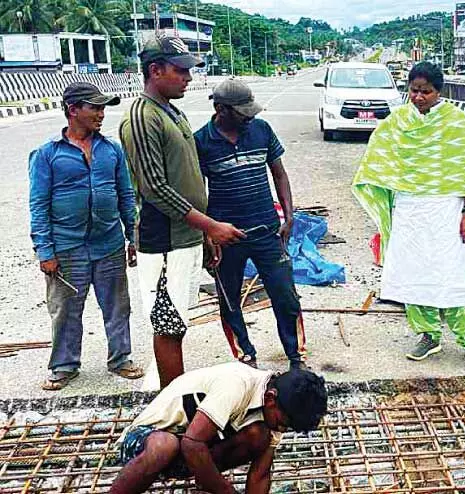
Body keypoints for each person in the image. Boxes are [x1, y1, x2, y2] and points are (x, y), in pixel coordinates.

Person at [119, 34, 246, 389]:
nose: (188, 78)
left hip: (185, 238)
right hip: (163, 243)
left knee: (179, 320)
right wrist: (211, 225)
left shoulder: (173, 111)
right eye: (181, 71)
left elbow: (187, 179)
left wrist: (203, 233)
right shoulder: (142, 117)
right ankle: (171, 403)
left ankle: (173, 394)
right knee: (168, 324)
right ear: (155, 70)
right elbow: (155, 188)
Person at [352, 62, 465, 370]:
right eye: (413, 91)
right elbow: (377, 159)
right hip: (410, 208)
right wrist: (385, 198)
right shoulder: (398, 121)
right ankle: (427, 334)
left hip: (448, 207)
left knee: (453, 274)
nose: (418, 98)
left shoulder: (457, 123)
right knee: (413, 272)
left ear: (439, 92)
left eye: (425, 92)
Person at [29, 82, 144, 391]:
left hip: (108, 244)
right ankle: (65, 365)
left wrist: (132, 237)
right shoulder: (47, 154)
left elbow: (125, 195)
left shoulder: (111, 150)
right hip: (67, 247)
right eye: (94, 107)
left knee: (118, 305)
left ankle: (120, 358)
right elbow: (38, 205)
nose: (101, 114)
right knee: (65, 309)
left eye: (103, 107)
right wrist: (45, 251)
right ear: (73, 110)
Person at [194, 79, 307, 371]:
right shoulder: (201, 142)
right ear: (220, 109)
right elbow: (198, 191)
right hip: (225, 236)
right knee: (229, 299)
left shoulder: (261, 130)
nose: (250, 117)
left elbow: (279, 174)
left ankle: (295, 356)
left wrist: (289, 216)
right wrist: (208, 234)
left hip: (267, 230)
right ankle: (246, 355)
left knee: (285, 294)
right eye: (243, 112)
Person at [110, 362, 328, 494]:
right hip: (145, 443)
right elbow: (192, 443)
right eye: (283, 423)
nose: (282, 428)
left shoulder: (279, 408)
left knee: (258, 436)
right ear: (271, 399)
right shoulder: (237, 383)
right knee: (164, 445)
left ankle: (206, 481)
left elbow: (260, 474)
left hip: (188, 453)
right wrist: (226, 491)